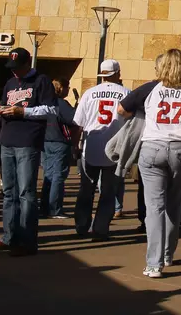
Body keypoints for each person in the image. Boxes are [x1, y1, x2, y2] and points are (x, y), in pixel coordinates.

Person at [125, 49, 181, 278]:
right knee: (174, 204)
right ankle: (168, 254)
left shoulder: (149, 88)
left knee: (154, 207)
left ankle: (154, 263)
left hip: (153, 147)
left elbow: (122, 109)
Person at [0, 48, 57, 256]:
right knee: (9, 193)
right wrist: (0, 109)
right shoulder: (10, 83)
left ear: (28, 64)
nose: (14, 72)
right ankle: (9, 237)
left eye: (18, 68)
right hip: (7, 140)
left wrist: (23, 111)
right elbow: (5, 103)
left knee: (26, 192)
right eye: (11, 68)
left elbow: (51, 110)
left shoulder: (41, 81)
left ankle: (27, 241)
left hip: (27, 141)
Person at [73, 59, 129, 241]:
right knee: (108, 192)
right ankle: (101, 228)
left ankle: (82, 225)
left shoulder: (89, 93)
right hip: (115, 149)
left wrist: (75, 145)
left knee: (86, 189)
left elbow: (78, 124)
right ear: (118, 73)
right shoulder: (126, 94)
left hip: (91, 147)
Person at [41, 78, 76, 218]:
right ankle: (54, 208)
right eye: (67, 87)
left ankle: (44, 207)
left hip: (46, 140)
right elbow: (73, 119)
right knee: (58, 176)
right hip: (59, 141)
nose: (68, 90)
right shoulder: (61, 103)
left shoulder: (45, 102)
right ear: (61, 88)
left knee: (48, 175)